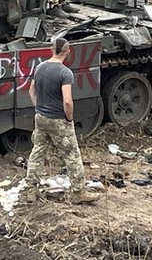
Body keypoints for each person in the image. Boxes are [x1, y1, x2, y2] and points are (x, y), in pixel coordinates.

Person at [23, 37, 99, 204]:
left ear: (52, 49)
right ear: (67, 52)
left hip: (40, 118)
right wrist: (69, 118)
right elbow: (67, 101)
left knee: (37, 152)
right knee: (72, 155)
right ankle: (78, 193)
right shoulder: (65, 73)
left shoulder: (39, 67)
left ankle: (31, 190)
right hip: (58, 120)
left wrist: (39, 108)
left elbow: (31, 91)